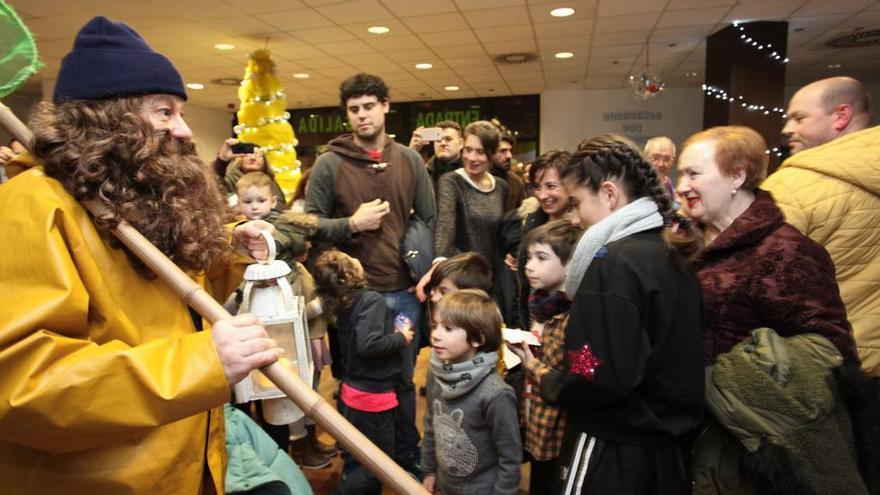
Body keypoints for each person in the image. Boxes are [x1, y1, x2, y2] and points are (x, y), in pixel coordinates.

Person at [0, 16, 282, 494]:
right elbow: (24, 388)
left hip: (186, 464)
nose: (186, 131)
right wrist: (203, 364)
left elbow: (169, 305)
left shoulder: (133, 199)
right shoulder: (34, 206)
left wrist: (226, 255)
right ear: (111, 118)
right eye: (165, 112)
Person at [510, 134, 704, 494]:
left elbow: (595, 374)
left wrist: (551, 380)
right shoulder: (667, 252)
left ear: (610, 194)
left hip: (614, 444)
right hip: (664, 446)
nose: (575, 217)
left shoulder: (611, 261)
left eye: (578, 203)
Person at [677, 126, 864, 493]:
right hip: (698, 439)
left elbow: (830, 351)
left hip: (757, 456)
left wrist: (727, 377)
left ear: (737, 176)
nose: (681, 185)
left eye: (694, 173)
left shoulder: (783, 250)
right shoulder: (688, 243)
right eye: (680, 174)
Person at [305, 72, 435, 475]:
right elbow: (309, 225)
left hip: (402, 291)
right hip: (353, 298)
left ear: (385, 106)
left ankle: (405, 460)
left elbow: (429, 219)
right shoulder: (330, 163)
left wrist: (427, 268)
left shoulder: (410, 160)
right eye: (354, 109)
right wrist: (351, 225)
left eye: (368, 107)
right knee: (355, 383)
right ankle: (359, 464)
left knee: (401, 380)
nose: (362, 116)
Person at [762, 76, 880, 376]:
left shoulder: (794, 185)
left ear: (842, 115)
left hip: (833, 363)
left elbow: (759, 281)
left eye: (799, 118)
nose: (787, 129)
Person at [312, 249, 414, 494]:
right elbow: (368, 345)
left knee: (356, 455)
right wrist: (402, 338)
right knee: (380, 463)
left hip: (351, 391)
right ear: (349, 274)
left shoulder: (341, 300)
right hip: (373, 396)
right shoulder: (370, 300)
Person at [422, 289, 521, 495]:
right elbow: (432, 424)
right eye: (435, 326)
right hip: (445, 485)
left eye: (448, 328)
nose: (435, 335)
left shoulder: (496, 394)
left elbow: (510, 456)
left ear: (478, 338)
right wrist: (429, 470)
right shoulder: (436, 374)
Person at [518, 220, 580, 495]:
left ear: (568, 265)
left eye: (541, 258)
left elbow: (572, 381)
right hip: (535, 411)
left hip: (557, 426)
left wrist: (530, 362)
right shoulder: (541, 304)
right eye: (529, 257)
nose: (529, 265)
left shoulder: (573, 317)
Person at [516, 150, 573, 329]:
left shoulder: (583, 229)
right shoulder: (533, 221)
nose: (542, 195)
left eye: (550, 186)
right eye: (537, 187)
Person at [409, 120, 464, 199]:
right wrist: (411, 152)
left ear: (461, 143)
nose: (443, 143)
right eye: (438, 140)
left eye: (448, 139)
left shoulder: (472, 172)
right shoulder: (423, 172)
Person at [490, 120, 526, 211]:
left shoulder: (516, 182)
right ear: (490, 152)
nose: (509, 156)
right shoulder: (478, 178)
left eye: (510, 151)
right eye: (503, 151)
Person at [643, 136, 680, 209]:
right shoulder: (635, 186)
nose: (661, 164)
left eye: (667, 159)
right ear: (645, 158)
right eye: (655, 158)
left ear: (673, 162)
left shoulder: (669, 185)